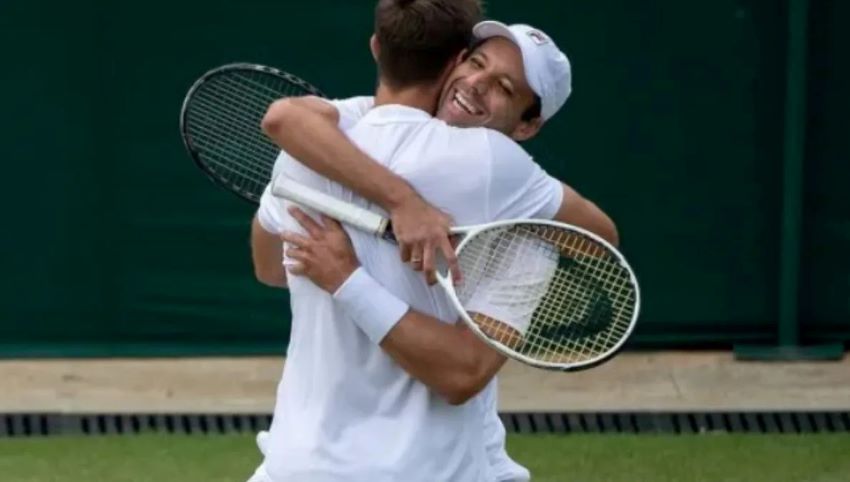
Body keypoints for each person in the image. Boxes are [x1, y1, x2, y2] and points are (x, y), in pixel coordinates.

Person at [250, 2, 617, 481]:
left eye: (504, 88)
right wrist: (403, 204)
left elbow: (271, 267)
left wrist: (348, 277)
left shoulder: (319, 144)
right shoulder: (495, 171)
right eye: (477, 63)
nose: (477, 84)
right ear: (453, 63)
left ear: (527, 125)